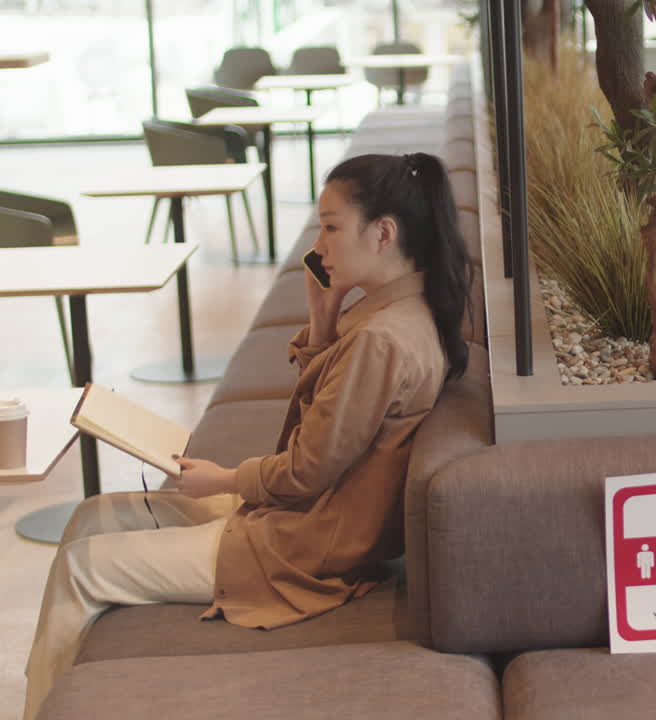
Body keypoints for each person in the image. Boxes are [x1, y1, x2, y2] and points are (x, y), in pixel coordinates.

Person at [24, 152, 472, 720]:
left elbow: (307, 469)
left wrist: (225, 478)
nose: (321, 245)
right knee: (91, 516)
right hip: (301, 519)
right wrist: (324, 317)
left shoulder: (382, 339)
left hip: (298, 546)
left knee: (79, 567)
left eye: (331, 227)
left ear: (383, 233)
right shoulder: (397, 313)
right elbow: (328, 430)